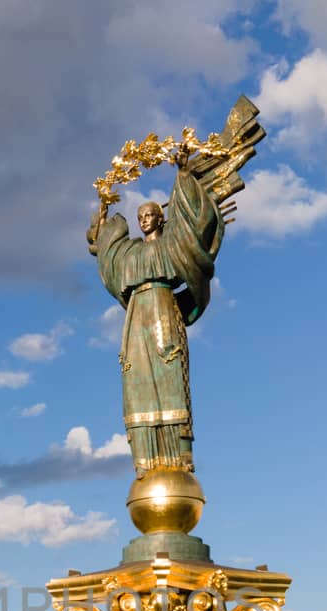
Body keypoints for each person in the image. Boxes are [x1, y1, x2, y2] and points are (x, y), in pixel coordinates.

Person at [87, 161, 227, 478]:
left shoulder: (170, 245)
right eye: (140, 218)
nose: (144, 221)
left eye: (149, 216)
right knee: (137, 381)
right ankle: (145, 460)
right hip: (137, 316)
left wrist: (184, 176)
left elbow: (191, 230)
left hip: (163, 308)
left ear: (160, 219)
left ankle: (179, 455)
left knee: (170, 375)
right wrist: (103, 223)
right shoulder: (131, 252)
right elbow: (106, 252)